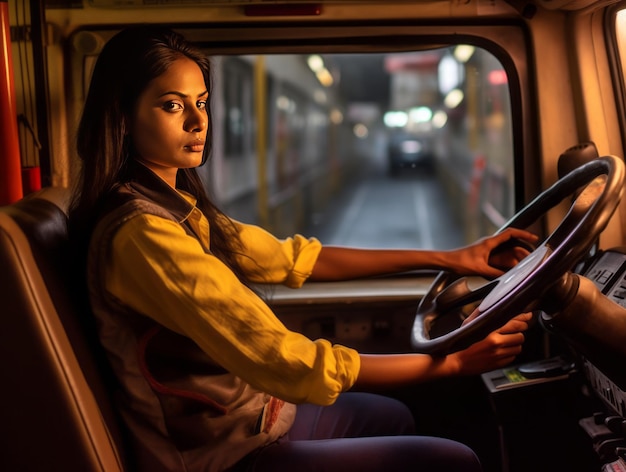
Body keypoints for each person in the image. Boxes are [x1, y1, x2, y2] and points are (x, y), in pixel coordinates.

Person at [68, 25, 537, 472]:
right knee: (453, 462)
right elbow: (279, 357)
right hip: (216, 455)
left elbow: (296, 258)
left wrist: (453, 257)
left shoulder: (180, 211)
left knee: (392, 416)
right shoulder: (144, 235)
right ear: (123, 117)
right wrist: (451, 363)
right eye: (172, 106)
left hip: (252, 419)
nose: (198, 121)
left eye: (202, 103)